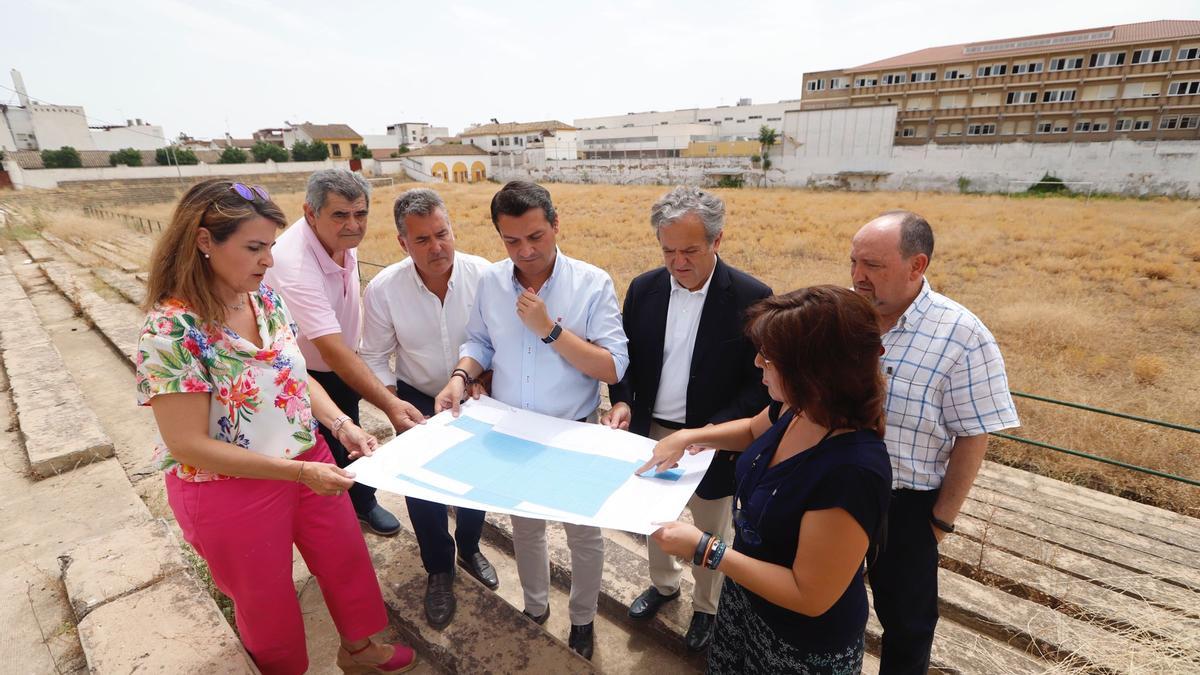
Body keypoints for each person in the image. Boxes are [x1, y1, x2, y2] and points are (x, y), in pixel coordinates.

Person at [136, 179, 416, 674]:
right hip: (229, 487)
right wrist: (298, 475)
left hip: (307, 456)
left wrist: (341, 424)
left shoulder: (262, 298)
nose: (269, 260)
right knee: (265, 597)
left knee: (345, 556)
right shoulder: (171, 329)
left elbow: (294, 371)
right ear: (205, 242)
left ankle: (358, 649)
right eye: (254, 247)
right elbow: (187, 444)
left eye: (269, 246)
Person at [641, 286, 893, 674]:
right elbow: (752, 432)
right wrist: (691, 435)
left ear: (815, 371)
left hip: (799, 642)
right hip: (746, 598)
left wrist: (707, 549)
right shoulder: (799, 406)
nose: (757, 362)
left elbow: (809, 595)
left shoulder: (851, 471)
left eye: (770, 358)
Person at [433, 180, 629, 660]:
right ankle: (537, 607)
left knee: (583, 533)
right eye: (511, 240)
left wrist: (551, 330)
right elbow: (479, 342)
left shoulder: (591, 282)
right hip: (513, 432)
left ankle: (582, 620)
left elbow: (612, 366)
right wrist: (461, 375)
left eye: (536, 237)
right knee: (526, 527)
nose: (525, 251)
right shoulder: (492, 282)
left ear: (556, 224)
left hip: (575, 429)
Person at [602, 186, 771, 651]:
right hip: (652, 430)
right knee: (657, 520)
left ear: (717, 240)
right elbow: (626, 358)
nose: (678, 262)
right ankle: (663, 585)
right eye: (668, 250)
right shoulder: (643, 288)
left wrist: (709, 433)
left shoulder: (753, 297)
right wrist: (622, 400)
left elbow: (756, 386)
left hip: (716, 436)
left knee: (712, 528)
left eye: (690, 251)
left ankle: (707, 607)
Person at [850, 211, 1019, 674]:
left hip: (906, 507)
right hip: (836, 491)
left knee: (907, 624)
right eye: (853, 262)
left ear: (916, 265)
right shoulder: (842, 314)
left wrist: (939, 522)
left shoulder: (962, 336)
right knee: (826, 604)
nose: (857, 276)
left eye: (872, 265)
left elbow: (972, 434)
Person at [360, 188, 498, 629]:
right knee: (422, 489)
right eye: (422, 240)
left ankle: (471, 546)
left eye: (443, 234)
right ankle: (439, 568)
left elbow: (505, 342)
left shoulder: (487, 276)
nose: (437, 247)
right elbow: (375, 355)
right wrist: (392, 403)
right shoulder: (384, 289)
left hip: (477, 390)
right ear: (402, 244)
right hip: (415, 396)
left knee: (476, 479)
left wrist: (483, 381)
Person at [264, 169, 424, 537]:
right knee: (321, 445)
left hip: (342, 362)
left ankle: (363, 503)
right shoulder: (294, 263)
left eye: (361, 214)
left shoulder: (342, 241)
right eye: (340, 215)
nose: (353, 225)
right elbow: (331, 351)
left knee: (349, 432)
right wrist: (390, 404)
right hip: (304, 372)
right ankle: (332, 520)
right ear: (310, 212)